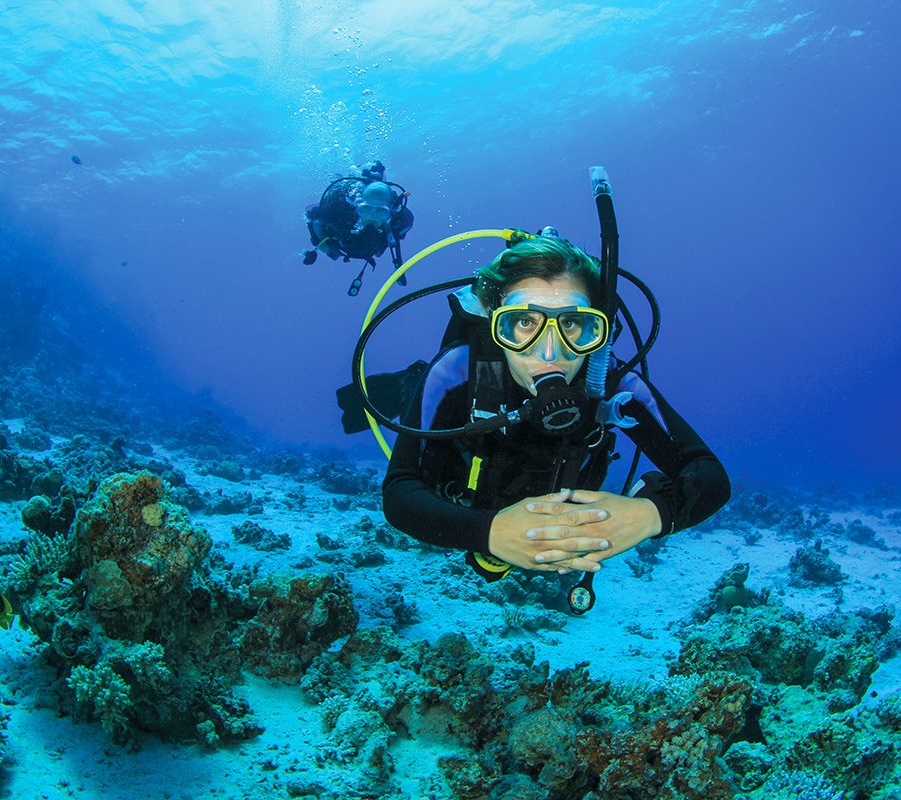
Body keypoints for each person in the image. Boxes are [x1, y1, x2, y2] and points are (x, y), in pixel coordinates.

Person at [380, 235, 730, 586]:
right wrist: (488, 532)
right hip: (467, 488)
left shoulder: (609, 383)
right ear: (494, 322)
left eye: (572, 323)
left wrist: (651, 514)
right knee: (416, 393)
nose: (549, 354)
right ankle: (407, 382)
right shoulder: (457, 371)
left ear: (597, 328)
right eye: (524, 322)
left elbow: (709, 474)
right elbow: (399, 492)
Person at [302, 160, 415, 296]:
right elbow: (309, 215)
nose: (372, 217)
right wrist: (322, 245)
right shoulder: (337, 212)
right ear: (357, 206)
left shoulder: (399, 221)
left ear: (390, 212)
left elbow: (401, 231)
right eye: (366, 209)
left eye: (380, 212)